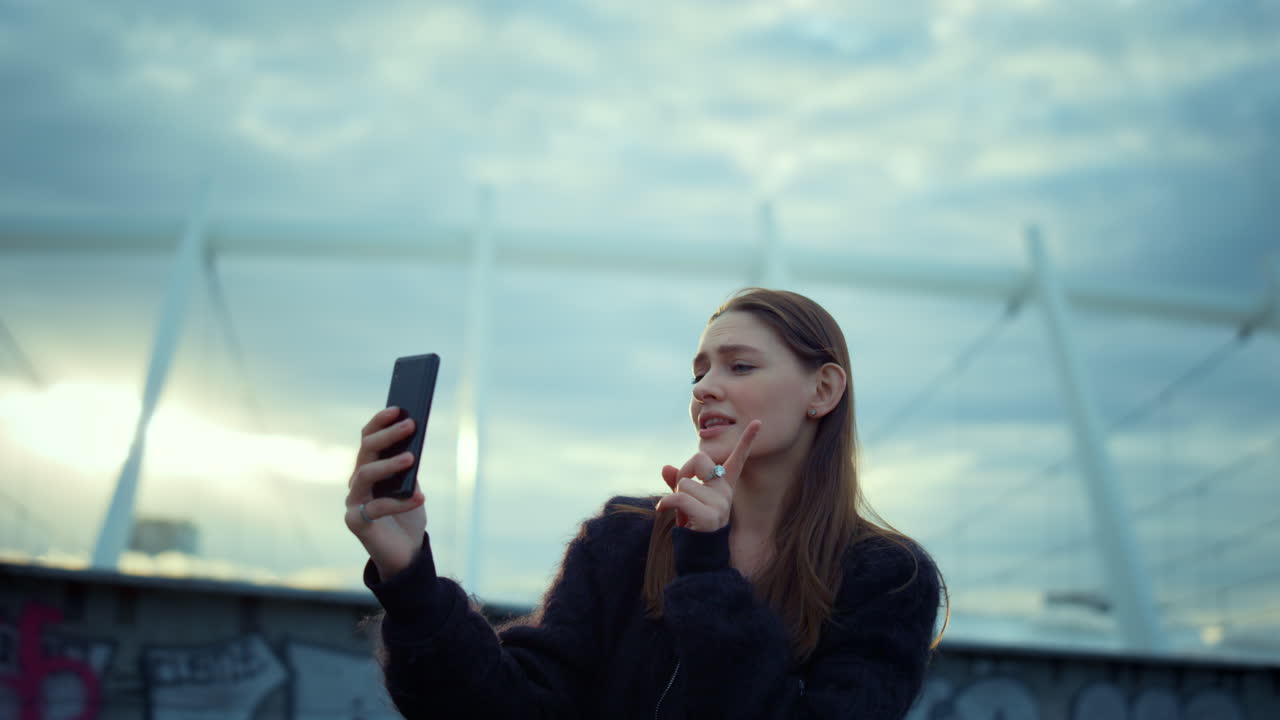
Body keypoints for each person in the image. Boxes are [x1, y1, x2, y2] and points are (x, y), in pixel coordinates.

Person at [344, 288, 947, 719]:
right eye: (698, 372)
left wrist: (707, 571)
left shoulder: (889, 577)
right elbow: (513, 704)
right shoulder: (625, 539)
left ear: (823, 390)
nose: (706, 386)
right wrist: (410, 578)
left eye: (738, 365)